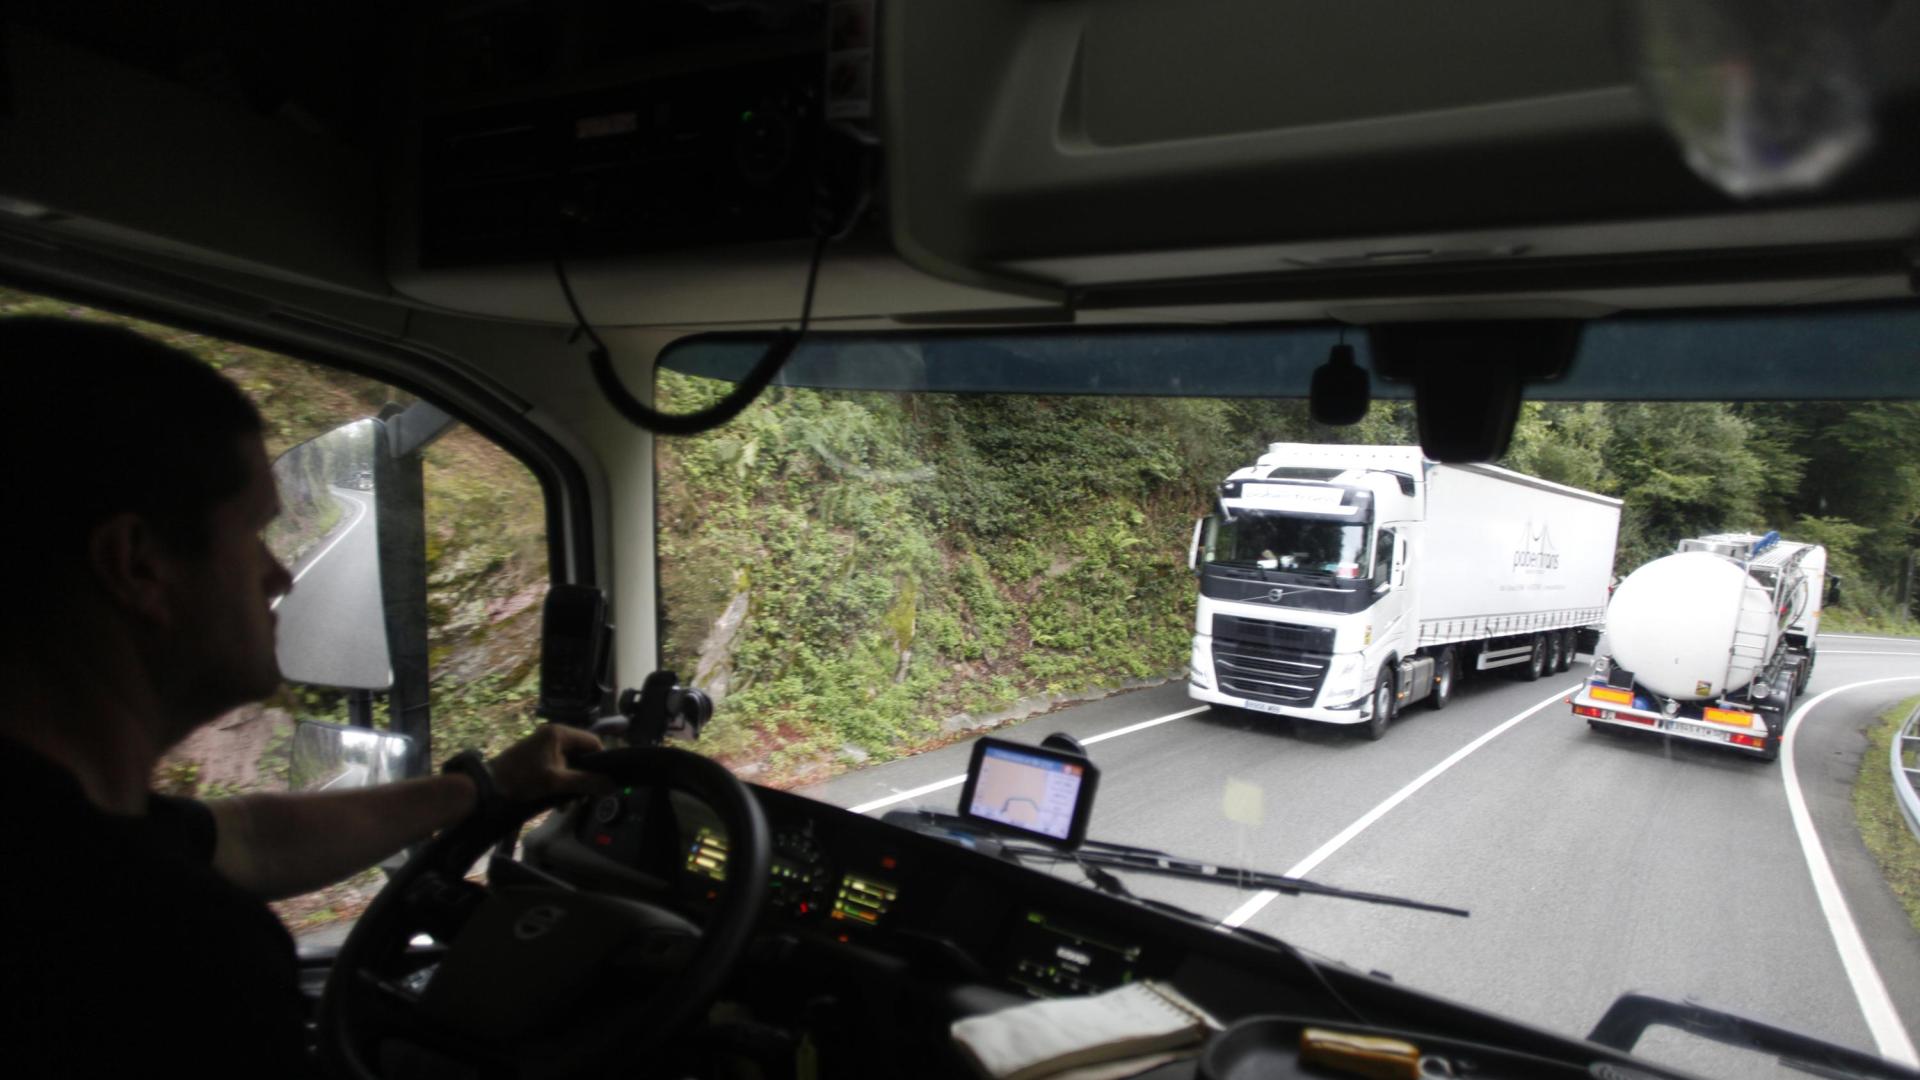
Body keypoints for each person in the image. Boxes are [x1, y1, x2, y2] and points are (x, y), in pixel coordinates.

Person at [0, 317, 606, 1076]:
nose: (278, 577)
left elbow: (248, 839)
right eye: (253, 533)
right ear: (138, 567)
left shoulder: (75, 833)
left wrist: (488, 787)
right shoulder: (159, 945)